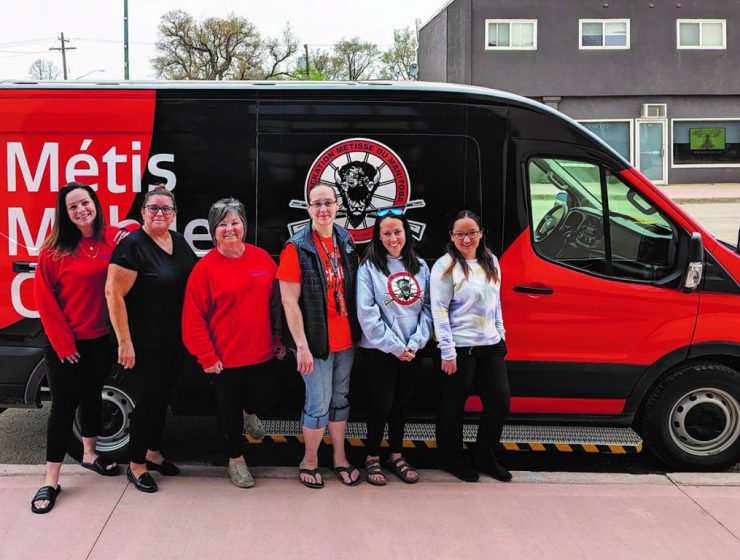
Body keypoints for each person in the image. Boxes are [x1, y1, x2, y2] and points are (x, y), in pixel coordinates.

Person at [31, 182, 124, 514]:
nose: (81, 209)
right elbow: (43, 299)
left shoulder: (111, 239)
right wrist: (63, 344)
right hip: (66, 344)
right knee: (63, 408)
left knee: (93, 397)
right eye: (73, 206)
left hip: (100, 339)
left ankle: (90, 454)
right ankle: (51, 480)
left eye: (85, 202)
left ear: (95, 204)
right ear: (65, 214)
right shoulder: (54, 251)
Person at [182, 198, 285, 488]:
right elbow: (193, 317)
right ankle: (236, 461)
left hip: (262, 352)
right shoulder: (204, 269)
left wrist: (279, 338)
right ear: (214, 231)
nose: (229, 229)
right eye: (222, 224)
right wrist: (206, 355)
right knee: (228, 415)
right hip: (224, 359)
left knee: (265, 398)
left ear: (244, 226)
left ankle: (249, 412)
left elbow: (275, 303)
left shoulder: (262, 258)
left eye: (235, 222)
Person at [106, 185, 197, 493]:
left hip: (174, 341)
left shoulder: (179, 241)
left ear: (173, 214)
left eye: (166, 209)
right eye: (154, 208)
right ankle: (136, 464)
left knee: (162, 400)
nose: (160, 214)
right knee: (146, 404)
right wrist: (124, 341)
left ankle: (153, 452)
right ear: (143, 212)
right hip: (145, 343)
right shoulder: (132, 246)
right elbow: (113, 293)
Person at [277, 185, 361, 488]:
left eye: (328, 203)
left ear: (338, 206)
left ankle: (339, 457)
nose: (323, 209)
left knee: (340, 398)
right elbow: (289, 301)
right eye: (317, 204)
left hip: (346, 340)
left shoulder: (345, 239)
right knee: (318, 402)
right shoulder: (296, 247)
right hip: (315, 343)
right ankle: (309, 459)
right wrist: (301, 346)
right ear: (308, 208)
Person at [430, 210, 512, 483]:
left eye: (471, 233)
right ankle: (450, 458)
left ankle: (484, 456)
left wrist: (500, 334)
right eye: (460, 234)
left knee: (499, 402)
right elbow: (439, 310)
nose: (466, 239)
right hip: (459, 349)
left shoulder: (491, 261)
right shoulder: (445, 266)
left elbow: (495, 301)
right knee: (453, 407)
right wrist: (447, 350)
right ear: (452, 237)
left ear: (481, 233)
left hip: (490, 346)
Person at [356, 209, 432, 485]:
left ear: (406, 233)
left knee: (401, 405)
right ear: (378, 236)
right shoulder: (369, 268)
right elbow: (367, 314)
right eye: (386, 233)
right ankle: (372, 456)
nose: (392, 238)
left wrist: (414, 343)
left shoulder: (420, 267)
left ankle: (396, 454)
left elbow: (428, 310)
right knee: (382, 404)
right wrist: (395, 346)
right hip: (380, 351)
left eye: (397, 231)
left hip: (412, 349)